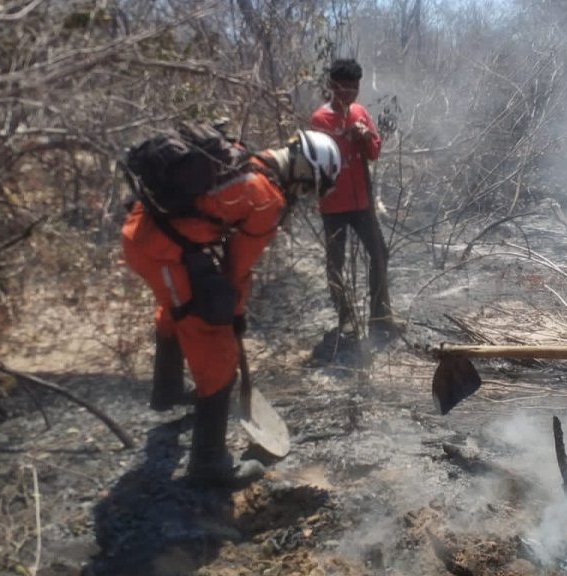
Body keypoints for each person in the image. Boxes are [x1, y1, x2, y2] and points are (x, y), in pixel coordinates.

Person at [121, 129, 341, 488]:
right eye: (310, 186)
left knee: (176, 314)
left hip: (144, 231)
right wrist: (233, 317)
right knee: (216, 350)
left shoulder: (250, 159)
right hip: (157, 249)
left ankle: (168, 394)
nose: (306, 195)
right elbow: (238, 269)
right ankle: (208, 464)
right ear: (303, 170)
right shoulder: (265, 197)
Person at [309, 58, 397, 340]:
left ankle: (381, 315)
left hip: (362, 204)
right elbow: (317, 163)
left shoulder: (360, 112)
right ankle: (345, 317)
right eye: (344, 88)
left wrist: (364, 137)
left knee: (381, 254)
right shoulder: (319, 119)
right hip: (333, 205)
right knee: (336, 262)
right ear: (331, 86)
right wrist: (343, 141)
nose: (349, 94)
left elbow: (373, 153)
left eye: (354, 88)